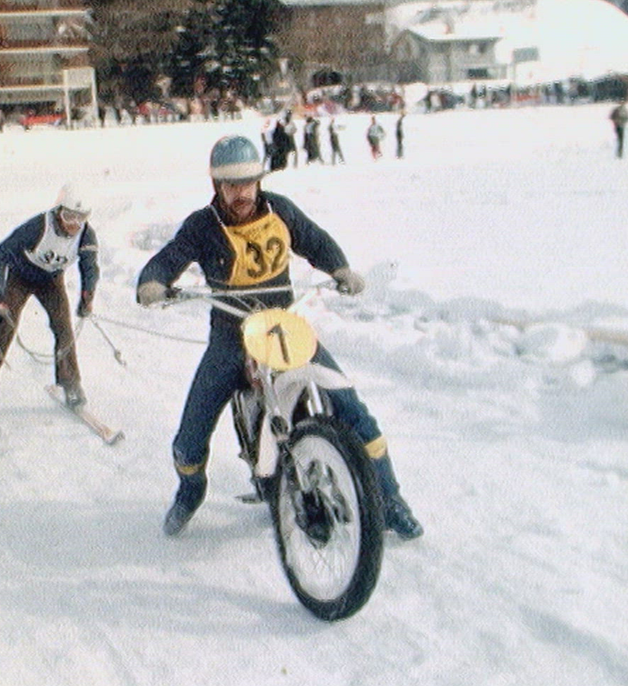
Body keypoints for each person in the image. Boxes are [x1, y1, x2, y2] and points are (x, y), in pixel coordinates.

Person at [136, 135, 423, 540]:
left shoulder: (280, 211)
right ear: (217, 185)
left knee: (353, 408)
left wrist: (339, 269)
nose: (241, 193)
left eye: (248, 183)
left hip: (283, 327)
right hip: (231, 338)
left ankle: (391, 500)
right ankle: (190, 490)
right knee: (190, 435)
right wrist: (153, 282)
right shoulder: (203, 225)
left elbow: (314, 239)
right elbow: (170, 257)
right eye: (231, 185)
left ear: (259, 181)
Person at [0, 184, 99, 410]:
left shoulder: (86, 235)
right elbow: (1, 255)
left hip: (51, 281)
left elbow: (90, 268)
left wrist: (88, 297)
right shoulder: (38, 226)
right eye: (69, 216)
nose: (73, 225)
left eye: (81, 218)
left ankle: (71, 385)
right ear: (59, 211)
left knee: (64, 328)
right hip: (21, 277)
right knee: (7, 325)